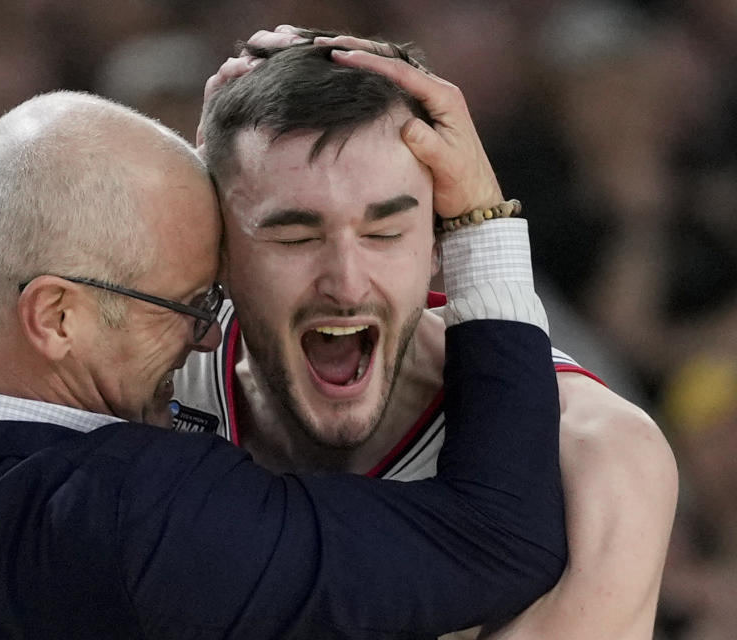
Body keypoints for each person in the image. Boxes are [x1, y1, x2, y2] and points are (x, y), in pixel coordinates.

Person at [0, 90, 566, 639]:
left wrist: (216, 158)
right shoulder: (136, 515)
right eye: (189, 305)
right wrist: (479, 223)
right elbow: (499, 541)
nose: (204, 338)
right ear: (55, 318)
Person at [175, 27, 679, 639]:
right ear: (218, 247)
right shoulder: (140, 378)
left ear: (443, 245)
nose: (347, 283)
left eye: (385, 232)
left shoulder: (597, 456)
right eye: (295, 238)